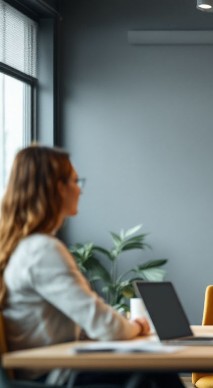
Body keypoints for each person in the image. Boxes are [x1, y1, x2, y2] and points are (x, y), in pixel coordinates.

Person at [0, 146, 182, 387]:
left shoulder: (20, 248)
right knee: (157, 373)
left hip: (46, 372)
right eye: (75, 181)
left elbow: (86, 324)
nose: (80, 190)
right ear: (57, 187)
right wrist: (136, 325)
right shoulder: (42, 250)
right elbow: (107, 328)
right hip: (55, 376)